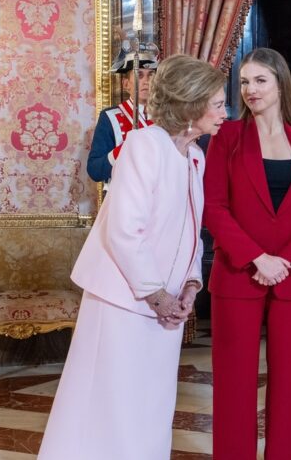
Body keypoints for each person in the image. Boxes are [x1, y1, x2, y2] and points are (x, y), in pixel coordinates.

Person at [38, 54, 227, 460]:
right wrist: (157, 296)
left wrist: (191, 284)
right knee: (114, 401)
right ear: (192, 104)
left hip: (166, 303)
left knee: (151, 402)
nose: (224, 113)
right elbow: (126, 231)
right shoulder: (144, 145)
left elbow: (191, 230)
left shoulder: (195, 156)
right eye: (218, 104)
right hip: (124, 300)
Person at [203, 47, 291, 460]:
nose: (250, 89)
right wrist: (258, 258)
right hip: (238, 275)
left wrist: (286, 260)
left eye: (260, 80)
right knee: (234, 382)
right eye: (244, 82)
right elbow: (214, 207)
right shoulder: (226, 137)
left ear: (280, 84)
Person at [87, 43, 159, 184]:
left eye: (151, 75)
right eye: (139, 75)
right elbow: (95, 171)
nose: (146, 82)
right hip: (123, 196)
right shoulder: (110, 117)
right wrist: (126, 148)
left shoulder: (168, 117)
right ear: (126, 84)